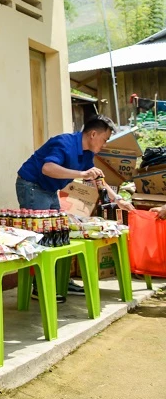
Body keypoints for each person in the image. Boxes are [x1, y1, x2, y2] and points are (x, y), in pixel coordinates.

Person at [17, 115, 134, 298]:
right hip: (32, 186)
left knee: (58, 234)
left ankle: (61, 280)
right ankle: (39, 287)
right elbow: (47, 168)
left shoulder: (87, 153)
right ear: (93, 134)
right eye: (104, 140)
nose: (104, 145)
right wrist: (81, 173)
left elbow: (96, 179)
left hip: (49, 189)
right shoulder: (64, 143)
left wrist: (118, 199)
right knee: (41, 237)